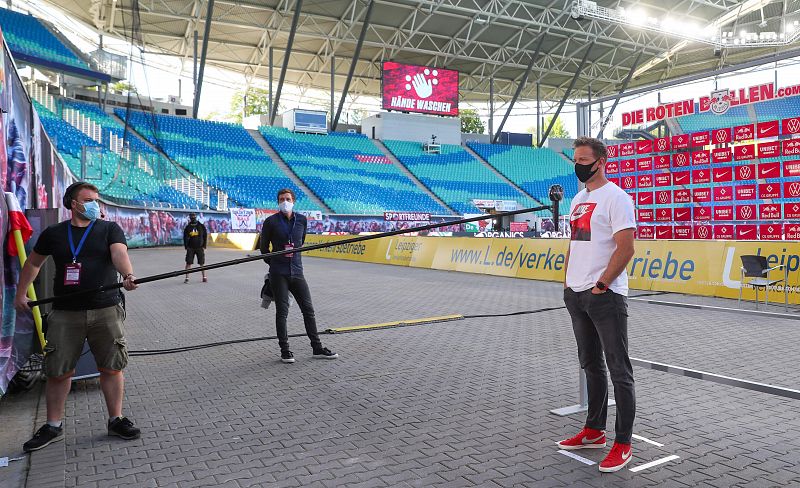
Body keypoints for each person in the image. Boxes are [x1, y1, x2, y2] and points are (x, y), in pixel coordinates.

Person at [14, 182, 140, 452]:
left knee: (112, 367)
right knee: (59, 371)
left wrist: (127, 275)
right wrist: (21, 294)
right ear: (73, 203)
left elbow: (119, 253)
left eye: (96, 199)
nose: (95, 204)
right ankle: (52, 425)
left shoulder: (109, 229)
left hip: (106, 309)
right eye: (89, 199)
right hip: (64, 313)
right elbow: (33, 263)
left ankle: (115, 419)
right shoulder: (54, 233)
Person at [557, 137, 637, 473]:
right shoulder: (577, 199)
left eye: (584, 159)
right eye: (575, 159)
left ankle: (623, 442)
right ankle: (594, 430)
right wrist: (567, 283)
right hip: (576, 294)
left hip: (605, 296)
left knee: (620, 371)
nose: (578, 165)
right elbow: (574, 244)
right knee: (590, 365)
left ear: (602, 161)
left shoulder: (617, 198)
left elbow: (626, 247)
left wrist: (602, 284)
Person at [259, 188, 337, 364]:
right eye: (281, 199)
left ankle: (317, 348)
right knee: (282, 312)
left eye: (287, 199)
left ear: (293, 201)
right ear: (278, 202)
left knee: (308, 310)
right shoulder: (270, 222)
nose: (284, 201)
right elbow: (264, 250)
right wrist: (277, 264)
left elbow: (300, 242)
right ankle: (285, 350)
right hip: (279, 274)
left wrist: (290, 262)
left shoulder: (301, 220)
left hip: (297, 272)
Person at [183, 213, 208, 283]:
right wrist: (186, 246)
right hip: (190, 248)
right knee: (188, 263)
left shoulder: (201, 226)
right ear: (190, 218)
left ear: (196, 217)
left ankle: (204, 277)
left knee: (201, 263)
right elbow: (185, 237)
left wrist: (204, 245)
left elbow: (205, 235)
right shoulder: (187, 227)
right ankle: (187, 278)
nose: (192, 217)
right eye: (191, 216)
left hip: (200, 247)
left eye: (194, 216)